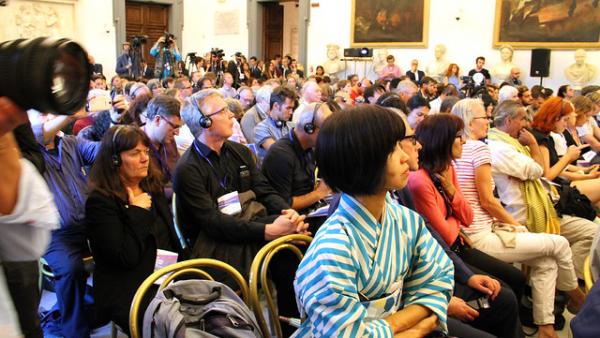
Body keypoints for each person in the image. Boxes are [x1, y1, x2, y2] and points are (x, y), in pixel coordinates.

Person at [293, 105, 454, 337]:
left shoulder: (406, 221)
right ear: (363, 159)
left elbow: (439, 278)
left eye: (401, 145)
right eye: (393, 148)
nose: (406, 156)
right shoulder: (332, 250)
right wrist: (415, 329)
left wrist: (395, 324)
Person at [175, 89, 309, 335]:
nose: (232, 116)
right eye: (223, 111)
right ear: (204, 122)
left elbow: (264, 191)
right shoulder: (188, 169)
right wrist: (268, 230)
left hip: (248, 223)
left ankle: (293, 326)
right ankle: (286, 328)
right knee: (287, 252)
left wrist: (287, 212)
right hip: (213, 242)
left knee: (299, 238)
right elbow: (212, 223)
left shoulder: (239, 152)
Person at [452, 99, 586, 338]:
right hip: (482, 233)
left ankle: (546, 328)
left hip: (482, 228)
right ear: (472, 122)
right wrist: (516, 227)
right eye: (484, 117)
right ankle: (578, 298)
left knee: (546, 261)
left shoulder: (462, 148)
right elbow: (492, 197)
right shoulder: (481, 148)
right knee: (560, 243)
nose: (488, 122)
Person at [407, 114, 526, 303]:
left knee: (516, 277)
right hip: (446, 252)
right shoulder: (420, 180)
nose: (463, 141)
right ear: (442, 140)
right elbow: (445, 235)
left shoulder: (446, 169)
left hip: (459, 245)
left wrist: (452, 191)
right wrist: (455, 220)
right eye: (458, 136)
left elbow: (468, 217)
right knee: (504, 295)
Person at [487, 100, 598, 279]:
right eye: (523, 119)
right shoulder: (511, 146)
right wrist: (533, 145)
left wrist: (582, 173)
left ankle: (572, 285)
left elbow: (542, 173)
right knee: (590, 231)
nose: (526, 124)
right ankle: (573, 285)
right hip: (527, 212)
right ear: (508, 121)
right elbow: (542, 172)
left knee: (592, 222)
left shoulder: (514, 142)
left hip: (546, 198)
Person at [86, 125, 180, 334]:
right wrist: (137, 211)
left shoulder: (151, 186)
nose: (144, 158)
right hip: (128, 285)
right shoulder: (100, 202)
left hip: (163, 272)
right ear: (115, 160)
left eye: (145, 152)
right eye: (134, 153)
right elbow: (124, 257)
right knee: (170, 323)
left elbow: (170, 237)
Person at [30, 109, 100, 338]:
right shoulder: (26, 151)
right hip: (53, 233)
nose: (48, 118)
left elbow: (100, 151)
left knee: (123, 245)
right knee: (71, 270)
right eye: (42, 114)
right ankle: (75, 331)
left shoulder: (70, 142)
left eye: (51, 114)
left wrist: (115, 122)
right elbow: (37, 134)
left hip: (87, 223)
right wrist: (70, 114)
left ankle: (113, 307)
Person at [0, 98, 59, 338]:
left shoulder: (8, 111)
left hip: (13, 233)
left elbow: (36, 157)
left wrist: (8, 158)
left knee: (28, 322)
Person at [262, 102, 332, 216]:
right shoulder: (280, 155)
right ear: (309, 129)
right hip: (291, 220)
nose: (329, 136)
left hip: (310, 211)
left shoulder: (309, 148)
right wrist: (319, 193)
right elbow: (284, 204)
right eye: (326, 131)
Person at [254, 85, 297, 161]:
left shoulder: (292, 126)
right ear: (276, 106)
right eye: (288, 108)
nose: (291, 112)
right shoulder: (261, 128)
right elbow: (278, 153)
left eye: (292, 108)